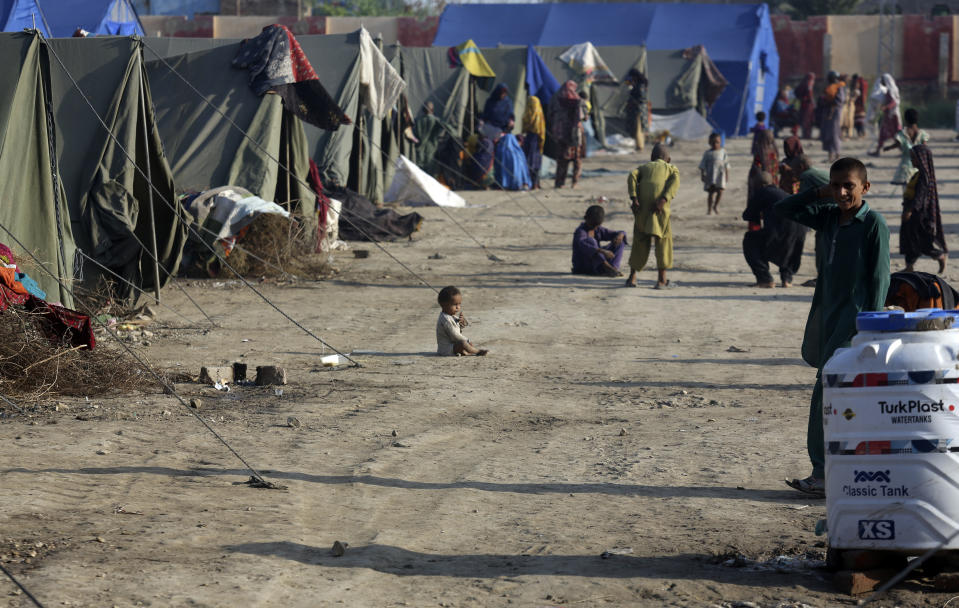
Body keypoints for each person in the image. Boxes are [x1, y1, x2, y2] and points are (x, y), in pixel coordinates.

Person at [776, 157, 890, 497]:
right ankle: (832, 472)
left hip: (855, 321)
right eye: (835, 185)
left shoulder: (873, 224)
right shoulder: (826, 219)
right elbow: (785, 207)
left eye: (848, 186)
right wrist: (819, 192)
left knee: (826, 391)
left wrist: (872, 328)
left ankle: (824, 472)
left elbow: (879, 278)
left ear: (865, 187)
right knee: (834, 393)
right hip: (827, 317)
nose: (841, 193)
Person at [625, 143, 680, 289]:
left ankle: (632, 278)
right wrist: (664, 199)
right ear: (668, 159)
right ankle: (661, 280)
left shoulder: (643, 168)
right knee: (663, 241)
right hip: (659, 210)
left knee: (640, 240)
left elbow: (632, 176)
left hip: (642, 209)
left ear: (651, 158)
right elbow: (675, 180)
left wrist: (634, 197)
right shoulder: (670, 168)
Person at [742, 171, 806, 288]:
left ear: (759, 184)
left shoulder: (763, 192)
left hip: (783, 228)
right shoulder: (780, 192)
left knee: (750, 240)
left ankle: (765, 278)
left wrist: (760, 213)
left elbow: (748, 215)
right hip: (801, 228)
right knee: (789, 247)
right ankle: (787, 279)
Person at [901, 144, 947, 274]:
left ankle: (939, 256)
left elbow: (920, 198)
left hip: (919, 216)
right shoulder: (917, 174)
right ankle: (909, 266)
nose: (911, 160)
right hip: (911, 212)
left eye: (913, 158)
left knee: (921, 242)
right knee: (909, 241)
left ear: (922, 159)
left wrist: (910, 211)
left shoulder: (923, 178)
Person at [548, 80, 586, 189]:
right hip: (575, 134)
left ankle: (559, 182)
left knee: (562, 160)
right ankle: (575, 182)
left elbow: (550, 114)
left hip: (561, 135)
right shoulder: (577, 100)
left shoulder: (555, 99)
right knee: (577, 160)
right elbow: (584, 116)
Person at [572, 205, 627, 276]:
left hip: (597, 263)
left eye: (597, 225)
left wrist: (621, 235)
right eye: (592, 225)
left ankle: (613, 268)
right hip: (583, 266)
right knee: (591, 242)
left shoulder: (598, 229)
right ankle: (608, 268)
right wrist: (602, 251)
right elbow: (584, 245)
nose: (595, 228)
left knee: (620, 240)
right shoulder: (580, 231)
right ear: (585, 218)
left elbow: (618, 233)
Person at [436, 286, 488, 357]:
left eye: (459, 304)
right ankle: (477, 351)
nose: (458, 307)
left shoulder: (451, 316)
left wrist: (462, 321)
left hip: (452, 345)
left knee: (465, 344)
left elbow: (459, 327)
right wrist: (467, 340)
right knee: (463, 344)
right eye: (455, 304)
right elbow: (455, 335)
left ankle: (467, 352)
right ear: (444, 305)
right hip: (446, 349)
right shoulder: (445, 319)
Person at [886, 108, 929, 190]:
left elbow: (897, 143)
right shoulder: (922, 134)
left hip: (906, 165)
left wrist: (888, 148)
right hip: (919, 165)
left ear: (906, 119)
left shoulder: (902, 133)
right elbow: (924, 148)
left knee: (906, 190)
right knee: (918, 189)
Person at [869, 73, 901, 156]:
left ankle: (904, 150)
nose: (882, 82)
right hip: (888, 115)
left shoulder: (891, 91)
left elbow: (894, 102)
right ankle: (877, 150)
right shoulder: (890, 90)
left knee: (896, 134)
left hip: (892, 116)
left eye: (883, 81)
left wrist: (886, 107)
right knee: (883, 133)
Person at [699, 132, 730, 215]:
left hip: (720, 175)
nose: (715, 144)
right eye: (713, 142)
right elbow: (702, 165)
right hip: (710, 175)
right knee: (711, 192)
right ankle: (709, 209)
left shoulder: (723, 152)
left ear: (720, 142)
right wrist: (702, 175)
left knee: (720, 191)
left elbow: (727, 164)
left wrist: (727, 175)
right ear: (709, 143)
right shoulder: (707, 153)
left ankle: (715, 206)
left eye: (717, 142)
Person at [414, 101, 447, 176]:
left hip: (419, 150)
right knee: (429, 173)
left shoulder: (417, 120)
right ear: (432, 110)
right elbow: (446, 128)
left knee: (419, 172)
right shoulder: (436, 120)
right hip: (431, 150)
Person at [820, 71, 845, 163]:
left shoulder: (839, 87)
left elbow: (839, 100)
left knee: (834, 133)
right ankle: (831, 155)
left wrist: (830, 103)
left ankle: (836, 154)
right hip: (827, 111)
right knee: (828, 133)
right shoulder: (830, 87)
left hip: (834, 112)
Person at [521, 94, 546, 190]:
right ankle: (535, 183)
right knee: (535, 162)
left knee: (531, 162)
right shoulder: (540, 115)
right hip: (537, 140)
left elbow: (525, 126)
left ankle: (532, 183)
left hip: (531, 139)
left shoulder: (528, 115)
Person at [464, 123, 496, 190]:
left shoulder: (485, 142)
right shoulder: (488, 142)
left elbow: (480, 153)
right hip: (486, 166)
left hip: (483, 165)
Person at [624, 68, 648, 151]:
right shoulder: (638, 85)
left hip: (639, 109)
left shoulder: (640, 86)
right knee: (638, 128)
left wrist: (632, 100)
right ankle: (639, 145)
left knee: (639, 128)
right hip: (638, 109)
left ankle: (640, 146)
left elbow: (641, 98)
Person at [798, 72, 816, 139]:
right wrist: (812, 102)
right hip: (808, 105)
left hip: (803, 104)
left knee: (804, 120)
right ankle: (807, 135)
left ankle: (805, 134)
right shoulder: (809, 83)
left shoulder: (803, 83)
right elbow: (809, 94)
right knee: (808, 120)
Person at [850, 74, 868, 138]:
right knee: (859, 121)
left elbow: (859, 96)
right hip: (859, 106)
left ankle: (861, 133)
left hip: (859, 106)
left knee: (859, 121)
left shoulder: (858, 86)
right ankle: (861, 133)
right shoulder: (862, 83)